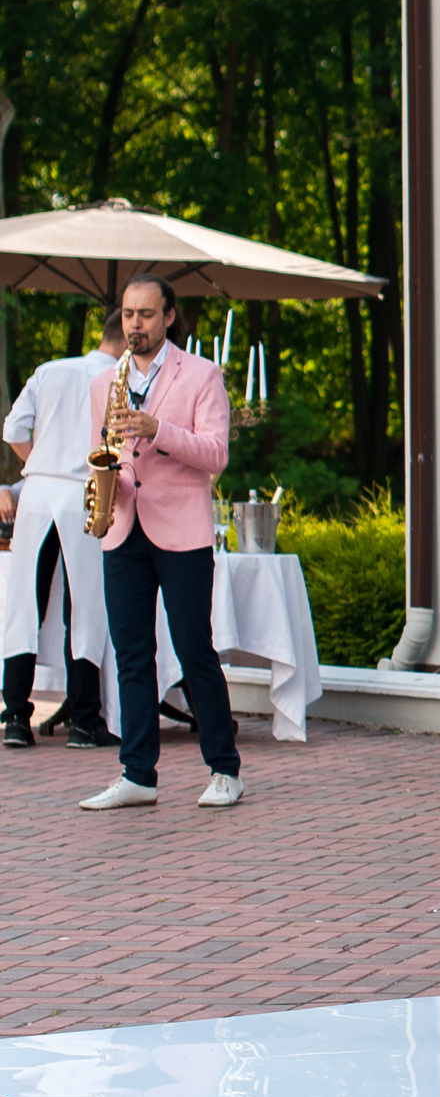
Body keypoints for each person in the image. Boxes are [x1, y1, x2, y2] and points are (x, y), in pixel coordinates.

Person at [78, 275, 243, 811]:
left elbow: (216, 454)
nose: (135, 325)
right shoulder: (105, 382)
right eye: (128, 314)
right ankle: (137, 774)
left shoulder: (202, 374)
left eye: (146, 315)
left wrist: (156, 429)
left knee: (195, 649)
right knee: (131, 654)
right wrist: (105, 486)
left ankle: (224, 769)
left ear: (169, 317)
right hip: (123, 526)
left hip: (182, 532)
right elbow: (109, 453)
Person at [1, 317, 122, 748]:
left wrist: (39, 462)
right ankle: (86, 720)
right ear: (123, 339)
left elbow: (12, 430)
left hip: (37, 492)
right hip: (85, 493)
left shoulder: (49, 369)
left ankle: (15, 717)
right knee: (85, 606)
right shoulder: (118, 380)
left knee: (23, 604)